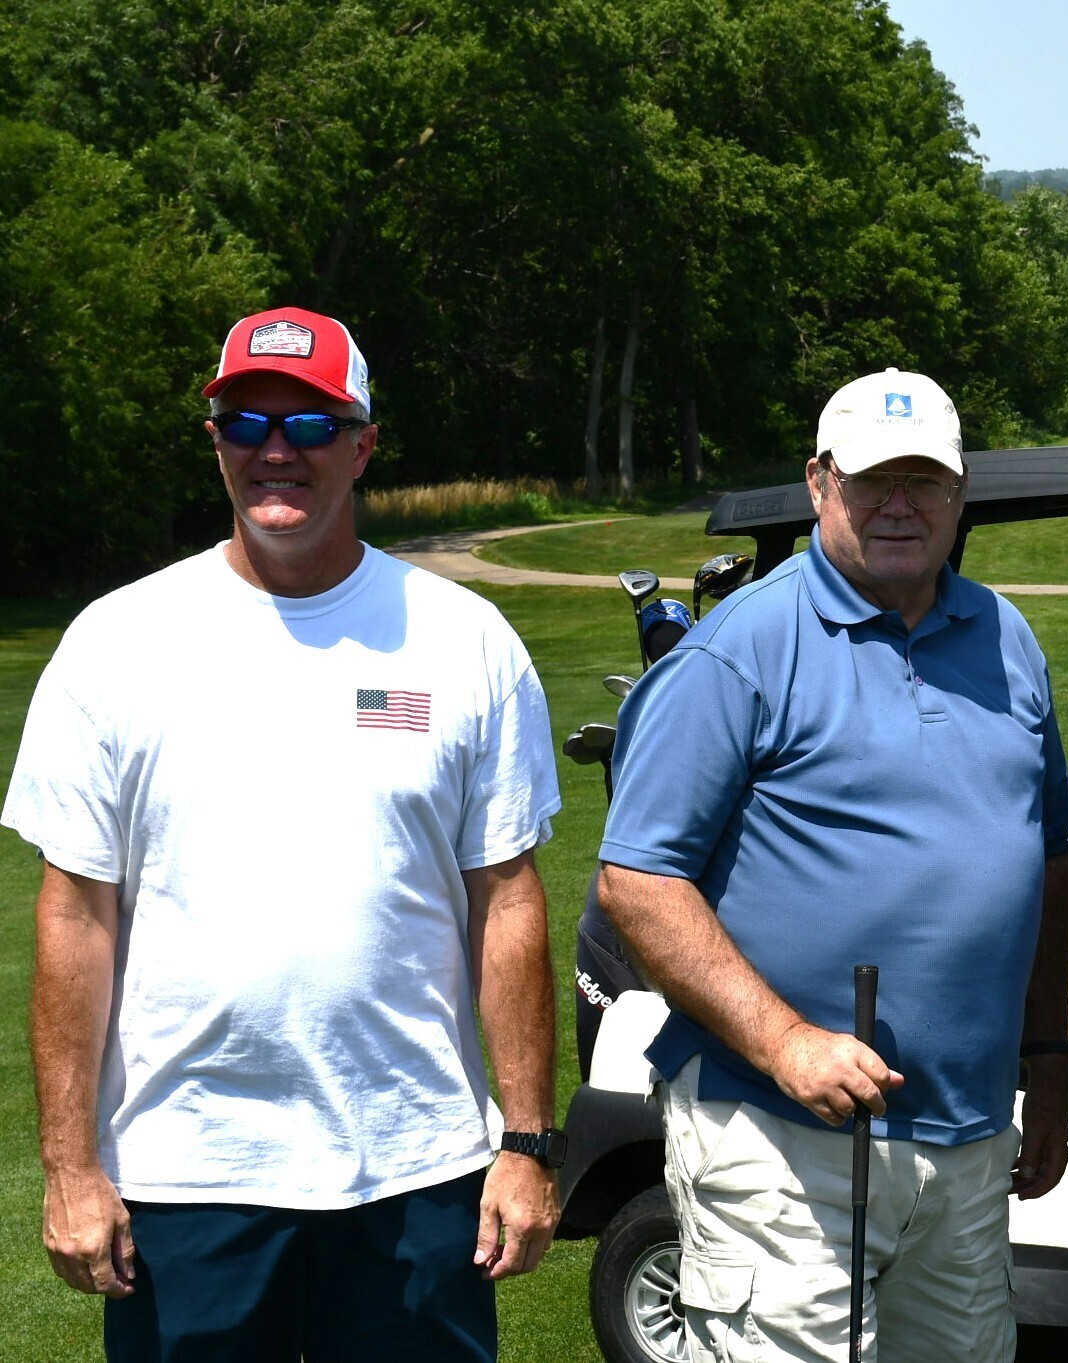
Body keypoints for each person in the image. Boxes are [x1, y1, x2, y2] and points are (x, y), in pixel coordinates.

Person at [4, 306, 564, 1359]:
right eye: (246, 423)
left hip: (416, 1168)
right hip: (185, 1174)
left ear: (364, 445)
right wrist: (70, 1167)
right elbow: (75, 916)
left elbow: (509, 900)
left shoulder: (464, 641)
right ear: (213, 439)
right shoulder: (114, 643)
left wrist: (528, 1139)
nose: (276, 451)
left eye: (310, 426)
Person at [595, 367, 1068, 1363]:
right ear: (820, 482)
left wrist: (1045, 1054)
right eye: (871, 479)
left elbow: (1044, 855)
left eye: (924, 480)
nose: (899, 503)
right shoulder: (739, 649)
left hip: (967, 1135)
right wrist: (784, 1041)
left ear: (959, 493)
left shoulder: (1006, 638)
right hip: (780, 1134)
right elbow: (638, 882)